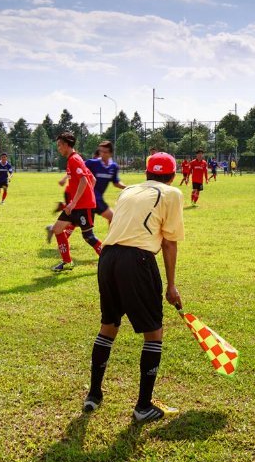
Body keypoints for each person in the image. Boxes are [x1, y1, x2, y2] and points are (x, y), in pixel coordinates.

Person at [83, 151, 184, 423]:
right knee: (154, 333)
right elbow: (169, 242)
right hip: (137, 260)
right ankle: (143, 407)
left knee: (109, 326)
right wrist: (171, 286)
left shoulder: (127, 192)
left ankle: (93, 395)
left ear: (147, 173)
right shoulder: (172, 193)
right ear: (172, 176)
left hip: (108, 257)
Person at [46, 132, 101, 272]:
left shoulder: (74, 160)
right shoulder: (75, 159)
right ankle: (67, 262)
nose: (58, 148)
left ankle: (109, 259)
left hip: (82, 206)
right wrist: (84, 197)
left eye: (59, 145)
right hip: (76, 205)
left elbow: (84, 180)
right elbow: (92, 179)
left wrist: (78, 201)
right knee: (57, 229)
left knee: (88, 237)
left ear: (66, 145)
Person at [85, 141, 127, 222]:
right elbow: (78, 168)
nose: (102, 154)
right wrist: (65, 178)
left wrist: (128, 188)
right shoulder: (92, 163)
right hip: (92, 198)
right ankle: (112, 235)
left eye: (105, 152)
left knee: (79, 222)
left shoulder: (114, 167)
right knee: (113, 217)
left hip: (97, 199)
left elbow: (116, 183)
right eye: (101, 151)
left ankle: (54, 228)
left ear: (111, 153)